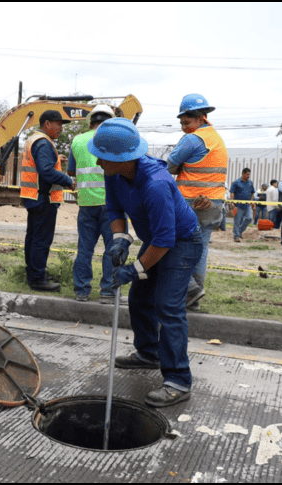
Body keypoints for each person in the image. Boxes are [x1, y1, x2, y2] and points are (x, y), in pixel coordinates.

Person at [89, 118, 208, 407]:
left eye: (102, 155)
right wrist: (120, 239)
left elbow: (165, 240)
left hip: (182, 242)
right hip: (157, 240)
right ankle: (149, 353)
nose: (97, 160)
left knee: (168, 305)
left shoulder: (156, 183)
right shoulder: (114, 173)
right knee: (140, 297)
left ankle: (178, 380)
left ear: (120, 157)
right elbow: (114, 208)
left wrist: (135, 268)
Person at [166, 94, 228, 311]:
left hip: (191, 203)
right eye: (182, 123)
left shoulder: (193, 139)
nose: (184, 127)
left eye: (187, 122)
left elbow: (169, 167)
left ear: (201, 118)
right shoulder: (216, 139)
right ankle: (194, 299)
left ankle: (190, 289)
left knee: (171, 246)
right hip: (214, 204)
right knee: (199, 250)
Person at [67, 105, 119, 304]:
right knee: (112, 249)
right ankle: (108, 292)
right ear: (109, 122)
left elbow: (71, 172)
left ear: (90, 122)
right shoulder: (112, 140)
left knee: (85, 249)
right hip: (110, 204)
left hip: (86, 203)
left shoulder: (78, 140)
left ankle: (81, 291)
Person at [20, 110, 75, 292]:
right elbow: (46, 171)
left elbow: (40, 166)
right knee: (41, 240)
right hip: (43, 198)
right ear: (47, 124)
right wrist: (69, 181)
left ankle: (34, 273)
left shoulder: (35, 139)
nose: (61, 129)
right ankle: (37, 279)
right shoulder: (44, 143)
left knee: (33, 238)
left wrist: (55, 159)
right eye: (58, 124)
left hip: (33, 196)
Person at [229, 168, 255, 242]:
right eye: (247, 174)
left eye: (249, 174)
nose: (248, 176)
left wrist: (252, 201)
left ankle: (239, 231)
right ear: (243, 173)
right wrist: (232, 202)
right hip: (238, 205)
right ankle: (236, 236)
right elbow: (232, 193)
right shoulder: (236, 182)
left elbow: (252, 193)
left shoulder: (250, 183)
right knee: (237, 221)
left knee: (249, 218)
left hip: (247, 205)